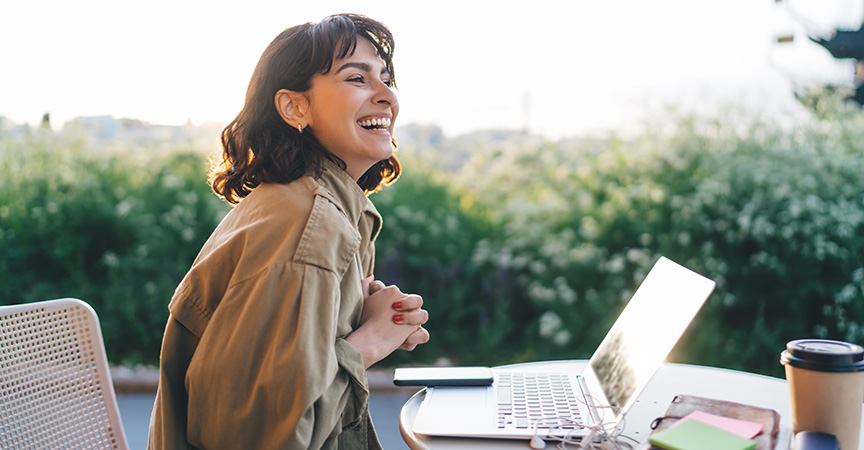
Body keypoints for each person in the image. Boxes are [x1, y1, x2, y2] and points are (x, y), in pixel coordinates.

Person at [147, 13, 429, 450]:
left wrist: (360, 315)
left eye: (386, 78)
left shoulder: (308, 204)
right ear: (295, 107)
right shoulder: (307, 229)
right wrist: (369, 343)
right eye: (357, 78)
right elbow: (260, 438)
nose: (386, 96)